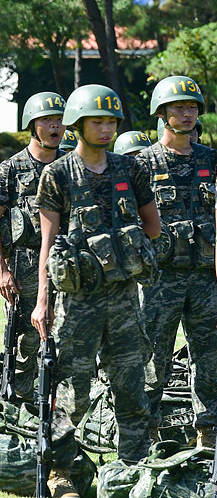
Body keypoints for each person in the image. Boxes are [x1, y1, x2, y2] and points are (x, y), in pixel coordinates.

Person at [31, 84, 160, 494]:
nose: (106, 129)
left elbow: (152, 226)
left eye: (111, 122)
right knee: (73, 389)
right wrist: (42, 302)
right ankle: (61, 473)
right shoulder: (57, 173)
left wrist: (129, 250)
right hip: (77, 302)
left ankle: (133, 468)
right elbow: (48, 245)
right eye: (97, 121)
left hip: (124, 298)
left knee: (130, 385)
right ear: (77, 124)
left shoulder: (130, 169)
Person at [137, 76, 217, 449]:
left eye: (192, 107)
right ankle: (148, 429)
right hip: (159, 279)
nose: (187, 114)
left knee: (210, 358)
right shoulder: (141, 164)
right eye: (178, 107)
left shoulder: (211, 160)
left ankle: (209, 431)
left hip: (205, 276)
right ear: (162, 113)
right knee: (154, 358)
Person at [0, 92, 66, 400]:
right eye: (47, 120)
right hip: (25, 266)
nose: (55, 126)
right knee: (24, 344)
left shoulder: (71, 166)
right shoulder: (12, 169)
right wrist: (0, 269)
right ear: (32, 125)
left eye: (59, 120)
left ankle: (63, 417)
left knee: (69, 340)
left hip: (67, 263)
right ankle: (21, 410)